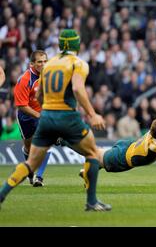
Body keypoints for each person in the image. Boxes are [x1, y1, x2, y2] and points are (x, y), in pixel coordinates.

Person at [0, 29, 110, 211]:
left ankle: (3, 193)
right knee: (92, 153)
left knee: (30, 163)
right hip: (66, 116)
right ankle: (91, 202)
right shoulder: (78, 63)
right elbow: (77, 89)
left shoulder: (49, 66)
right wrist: (92, 114)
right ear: (78, 45)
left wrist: (47, 108)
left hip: (47, 117)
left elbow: (39, 94)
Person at [75, 115, 156, 174]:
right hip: (120, 157)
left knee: (96, 156)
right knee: (91, 151)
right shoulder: (154, 145)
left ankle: (87, 171)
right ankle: (63, 139)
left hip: (128, 145)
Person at [13, 50, 50, 187]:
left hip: (43, 113)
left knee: (46, 143)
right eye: (39, 62)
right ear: (32, 63)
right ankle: (30, 173)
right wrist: (38, 115)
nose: (43, 64)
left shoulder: (50, 76)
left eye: (45, 61)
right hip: (26, 116)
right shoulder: (24, 79)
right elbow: (21, 105)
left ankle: (38, 177)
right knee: (28, 146)